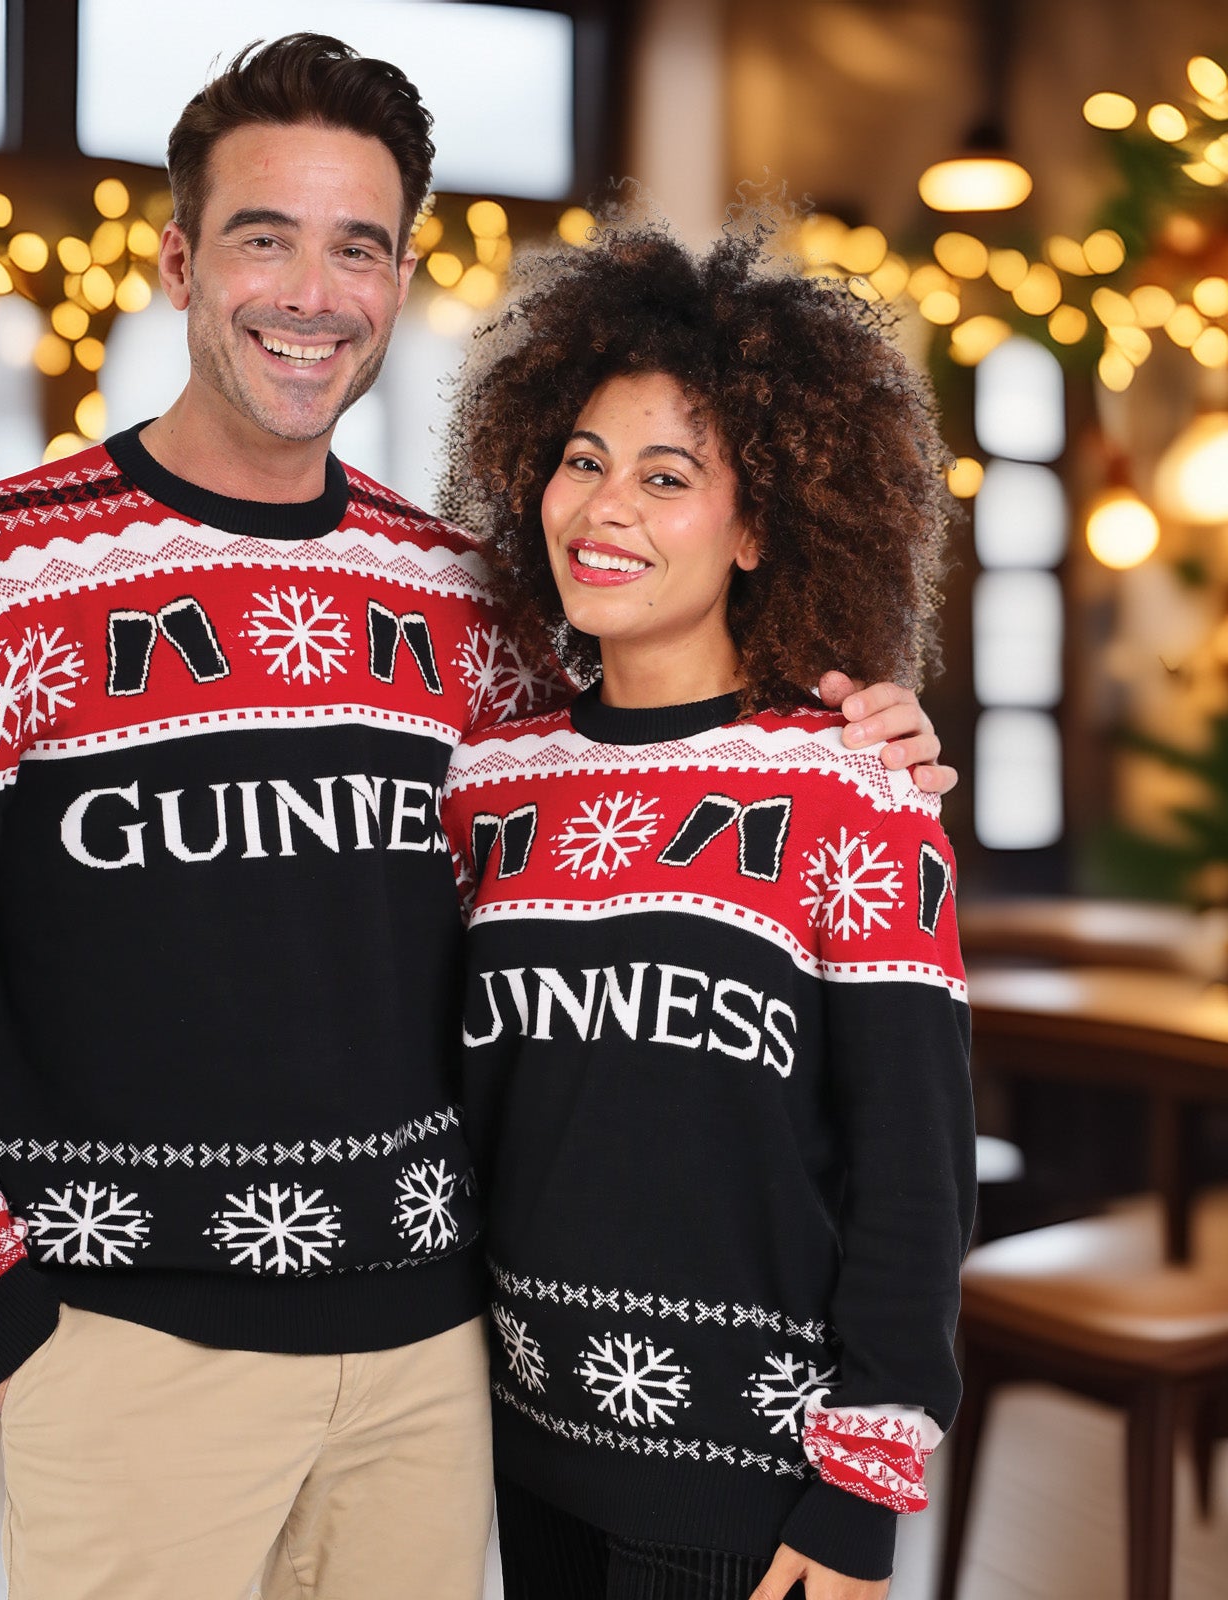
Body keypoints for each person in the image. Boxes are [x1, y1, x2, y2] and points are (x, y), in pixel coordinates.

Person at [0, 35, 954, 1600]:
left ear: (403, 278)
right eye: (264, 235)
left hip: (436, 1366)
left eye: (359, 246)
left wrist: (867, 722)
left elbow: (654, 756)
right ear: (179, 256)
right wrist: (10, 1325)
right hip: (134, 1361)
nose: (310, 290)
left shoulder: (460, 602)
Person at [438, 216, 975, 1600]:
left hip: (752, 1472)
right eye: (582, 461)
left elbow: (916, 1168)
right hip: (524, 1436)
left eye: (668, 478)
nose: (604, 508)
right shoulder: (489, 785)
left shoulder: (854, 786)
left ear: (755, 528)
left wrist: (867, 1479)